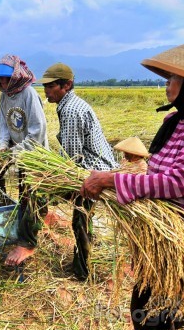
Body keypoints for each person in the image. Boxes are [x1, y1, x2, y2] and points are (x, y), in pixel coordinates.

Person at [79, 34, 184, 329]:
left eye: (173, 77)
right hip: (163, 244)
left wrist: (110, 181)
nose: (167, 83)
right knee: (143, 315)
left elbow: (180, 180)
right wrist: (115, 178)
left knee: (182, 321)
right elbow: (153, 174)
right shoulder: (177, 120)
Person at [37, 62, 119, 281]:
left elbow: (73, 158)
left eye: (51, 86)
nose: (46, 90)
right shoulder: (68, 105)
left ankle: (82, 270)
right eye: (45, 86)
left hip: (93, 172)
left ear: (66, 85)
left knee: (80, 220)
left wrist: (58, 180)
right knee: (82, 219)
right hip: (93, 168)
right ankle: (83, 264)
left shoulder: (72, 110)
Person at [0, 54, 48, 266]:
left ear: (15, 77)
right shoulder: (4, 97)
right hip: (18, 154)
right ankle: (24, 231)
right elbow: (3, 126)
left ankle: (29, 244)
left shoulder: (29, 95)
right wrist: (2, 147)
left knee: (32, 198)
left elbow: (37, 132)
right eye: (0, 80)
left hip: (35, 156)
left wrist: (15, 152)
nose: (2, 83)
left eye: (5, 79)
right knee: (23, 195)